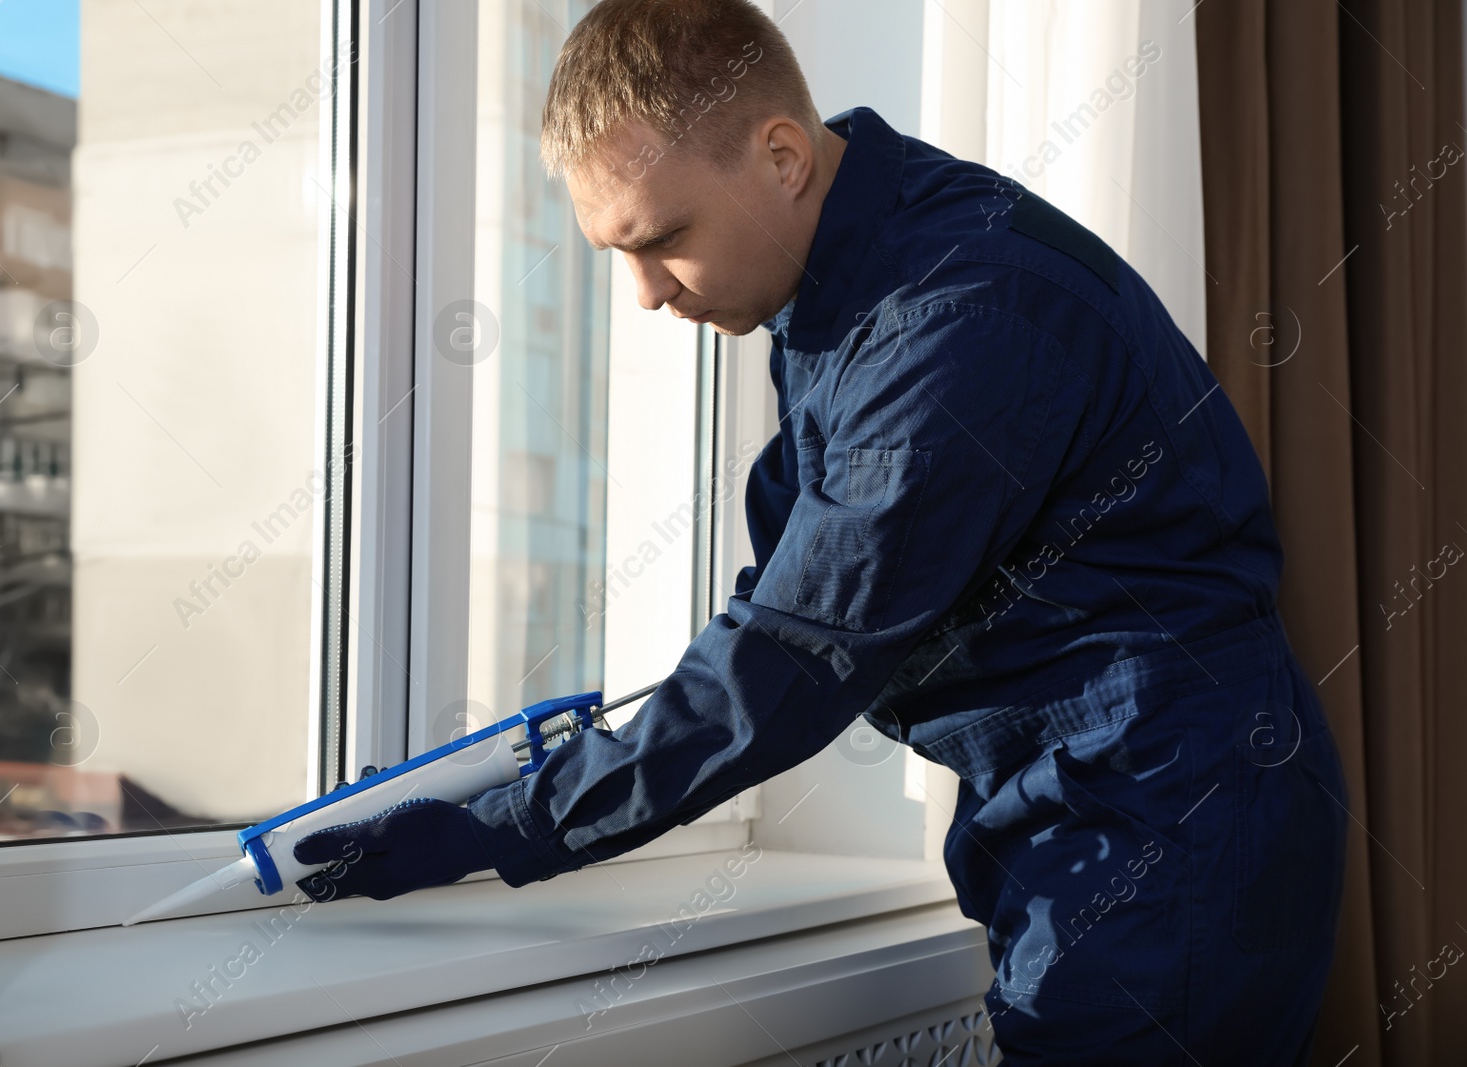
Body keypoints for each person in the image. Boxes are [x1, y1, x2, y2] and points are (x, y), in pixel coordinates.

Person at [291, 1, 1348, 1062]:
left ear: (783, 157)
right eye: (617, 252)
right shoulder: (847, 289)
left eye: (662, 240)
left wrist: (501, 822)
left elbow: (790, 655)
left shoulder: (949, 320)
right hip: (1082, 811)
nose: (646, 293)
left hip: (1165, 829)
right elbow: (784, 596)